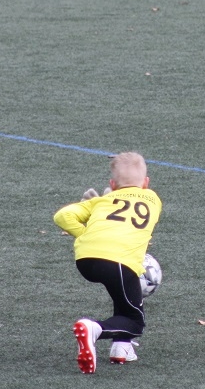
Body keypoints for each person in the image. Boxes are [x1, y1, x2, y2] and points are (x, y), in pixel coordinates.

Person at [53, 152, 162, 373]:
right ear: (146, 182)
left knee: (121, 294)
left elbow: (62, 216)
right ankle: (94, 329)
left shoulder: (101, 201)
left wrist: (86, 233)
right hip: (118, 261)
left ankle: (121, 348)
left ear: (112, 184)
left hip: (85, 261)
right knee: (134, 322)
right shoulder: (153, 199)